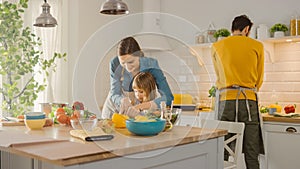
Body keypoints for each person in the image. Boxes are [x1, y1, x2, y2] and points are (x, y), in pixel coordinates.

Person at [211, 15, 265, 169]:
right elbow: (259, 79)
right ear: (247, 29)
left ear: (232, 29)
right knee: (251, 151)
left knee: (222, 149)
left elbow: (219, 76)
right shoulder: (257, 46)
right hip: (248, 102)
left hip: (225, 101)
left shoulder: (216, 46)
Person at [102, 37, 173, 119]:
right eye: (123, 63)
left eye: (131, 62)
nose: (127, 67)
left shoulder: (151, 64)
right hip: (114, 110)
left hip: (140, 110)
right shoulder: (114, 63)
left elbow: (168, 97)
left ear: (139, 55)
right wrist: (122, 100)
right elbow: (114, 93)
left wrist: (142, 106)